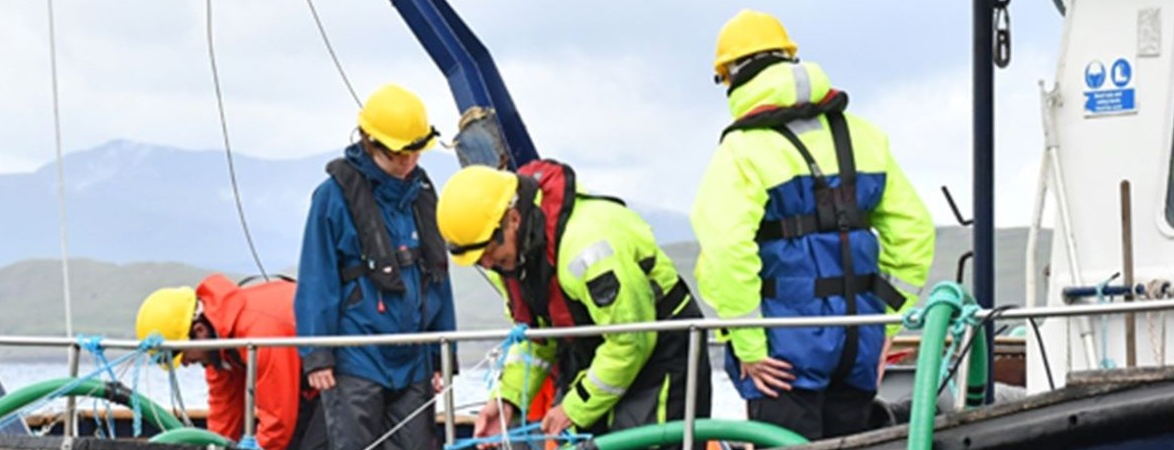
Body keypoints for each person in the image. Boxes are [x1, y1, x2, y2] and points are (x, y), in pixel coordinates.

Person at [691, 10, 936, 440]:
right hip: (859, 346)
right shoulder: (865, 136)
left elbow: (727, 252)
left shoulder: (742, 151)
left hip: (783, 361)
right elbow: (914, 232)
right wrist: (886, 326)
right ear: (789, 57)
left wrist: (749, 347)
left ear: (729, 75)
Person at [438, 162, 712, 441]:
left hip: (660, 350)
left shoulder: (587, 248)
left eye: (488, 249)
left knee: (648, 442)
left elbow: (631, 341)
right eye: (476, 260)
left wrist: (574, 407)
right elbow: (537, 339)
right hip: (591, 353)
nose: (487, 262)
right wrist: (507, 399)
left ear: (513, 219)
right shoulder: (507, 261)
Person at [294, 84, 457, 450]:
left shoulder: (422, 194)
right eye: (399, 154)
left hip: (414, 359)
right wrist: (316, 355)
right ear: (371, 143)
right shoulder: (332, 197)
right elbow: (317, 278)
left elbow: (438, 277)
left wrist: (443, 355)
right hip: (357, 360)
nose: (408, 163)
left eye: (415, 152)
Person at [134, 274, 320, 450]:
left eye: (182, 354)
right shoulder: (219, 344)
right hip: (309, 391)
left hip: (338, 377)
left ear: (199, 331)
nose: (185, 364)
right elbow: (224, 417)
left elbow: (278, 422)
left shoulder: (259, 333)